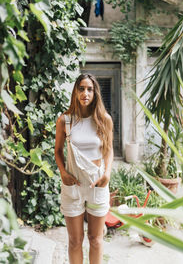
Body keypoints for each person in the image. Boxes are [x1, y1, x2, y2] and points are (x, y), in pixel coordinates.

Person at [55, 73, 114, 264]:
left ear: (95, 93)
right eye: (81, 88)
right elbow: (57, 152)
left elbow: (109, 150)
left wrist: (107, 173)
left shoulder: (104, 119)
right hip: (73, 186)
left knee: (95, 240)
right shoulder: (65, 120)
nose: (85, 93)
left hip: (97, 185)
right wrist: (63, 173)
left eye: (89, 89)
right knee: (74, 241)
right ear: (75, 91)